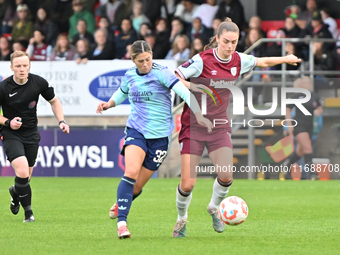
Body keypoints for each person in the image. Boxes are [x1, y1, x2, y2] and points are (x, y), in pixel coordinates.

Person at [172, 17, 301, 237]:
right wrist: (196, 87)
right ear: (217, 40)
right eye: (226, 41)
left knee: (226, 176)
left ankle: (214, 207)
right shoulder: (201, 60)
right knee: (188, 183)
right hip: (193, 125)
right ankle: (181, 219)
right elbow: (174, 76)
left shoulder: (239, 60)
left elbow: (264, 61)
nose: (230, 46)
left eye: (234, 41)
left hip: (219, 126)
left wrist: (285, 58)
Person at [96, 40, 212, 239]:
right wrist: (110, 104)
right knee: (131, 171)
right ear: (133, 60)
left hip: (160, 138)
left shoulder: (163, 73)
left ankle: (122, 200)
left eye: (148, 59)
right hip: (137, 130)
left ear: (152, 55)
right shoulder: (130, 75)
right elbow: (122, 92)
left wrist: (199, 114)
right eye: (140, 61)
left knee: (137, 186)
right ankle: (122, 224)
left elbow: (184, 92)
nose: (145, 64)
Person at [0, 51, 70, 222]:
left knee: (26, 178)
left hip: (31, 133)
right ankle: (28, 214)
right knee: (22, 172)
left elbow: (54, 101)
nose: (22, 69)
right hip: (10, 133)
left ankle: (15, 192)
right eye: (18, 66)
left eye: (25, 65)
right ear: (11, 68)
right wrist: (8, 123)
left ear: (30, 65)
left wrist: (61, 121)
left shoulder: (38, 82)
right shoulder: (3, 87)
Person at [282, 77, 322, 179]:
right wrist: (289, 124)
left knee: (300, 151)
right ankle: (312, 173)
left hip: (309, 126)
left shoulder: (314, 96)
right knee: (308, 148)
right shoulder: (297, 96)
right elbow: (288, 109)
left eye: (307, 83)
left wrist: (318, 111)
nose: (305, 85)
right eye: (303, 83)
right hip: (299, 125)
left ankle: (287, 165)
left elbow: (319, 108)